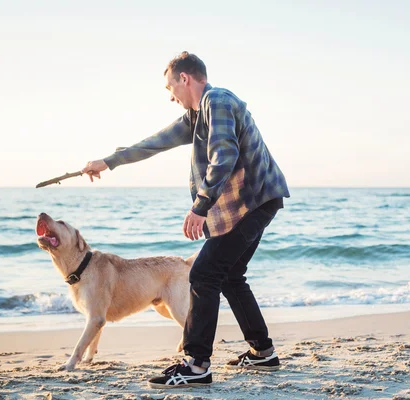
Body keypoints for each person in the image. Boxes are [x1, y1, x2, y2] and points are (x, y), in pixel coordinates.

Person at [82, 51, 290, 388]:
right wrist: (109, 161)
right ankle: (263, 352)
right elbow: (155, 143)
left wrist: (201, 206)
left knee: (204, 274)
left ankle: (196, 365)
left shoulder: (216, 101)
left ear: (185, 79)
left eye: (170, 88)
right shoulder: (196, 117)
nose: (170, 96)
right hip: (257, 202)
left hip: (254, 200)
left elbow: (225, 154)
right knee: (230, 275)